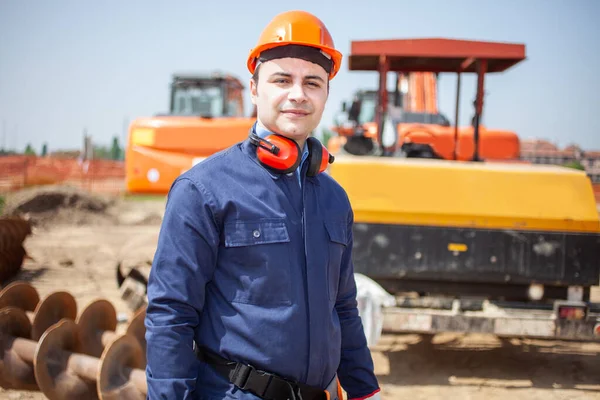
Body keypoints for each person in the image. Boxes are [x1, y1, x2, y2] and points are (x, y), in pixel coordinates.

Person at [144, 9, 381, 400]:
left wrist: (363, 389)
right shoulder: (203, 189)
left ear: (325, 94)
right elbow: (171, 314)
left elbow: (342, 307)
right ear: (254, 89)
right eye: (282, 79)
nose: (298, 94)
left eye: (313, 82)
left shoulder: (334, 198)